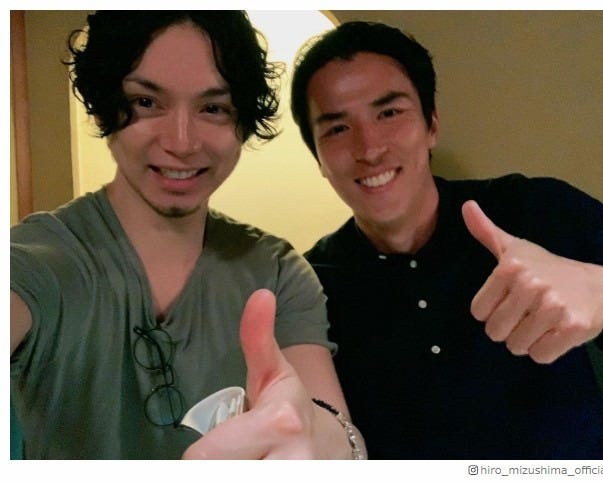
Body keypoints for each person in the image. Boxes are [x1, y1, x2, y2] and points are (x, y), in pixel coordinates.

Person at [10, 11, 366, 460]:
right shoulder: (37, 261)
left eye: (213, 108)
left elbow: (337, 431)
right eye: (145, 102)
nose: (181, 142)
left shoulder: (277, 272)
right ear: (103, 107)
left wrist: (315, 439)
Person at [290, 20, 603, 459]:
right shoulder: (306, 290)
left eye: (389, 113)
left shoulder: (538, 209)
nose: (370, 148)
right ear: (319, 159)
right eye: (337, 129)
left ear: (432, 125)